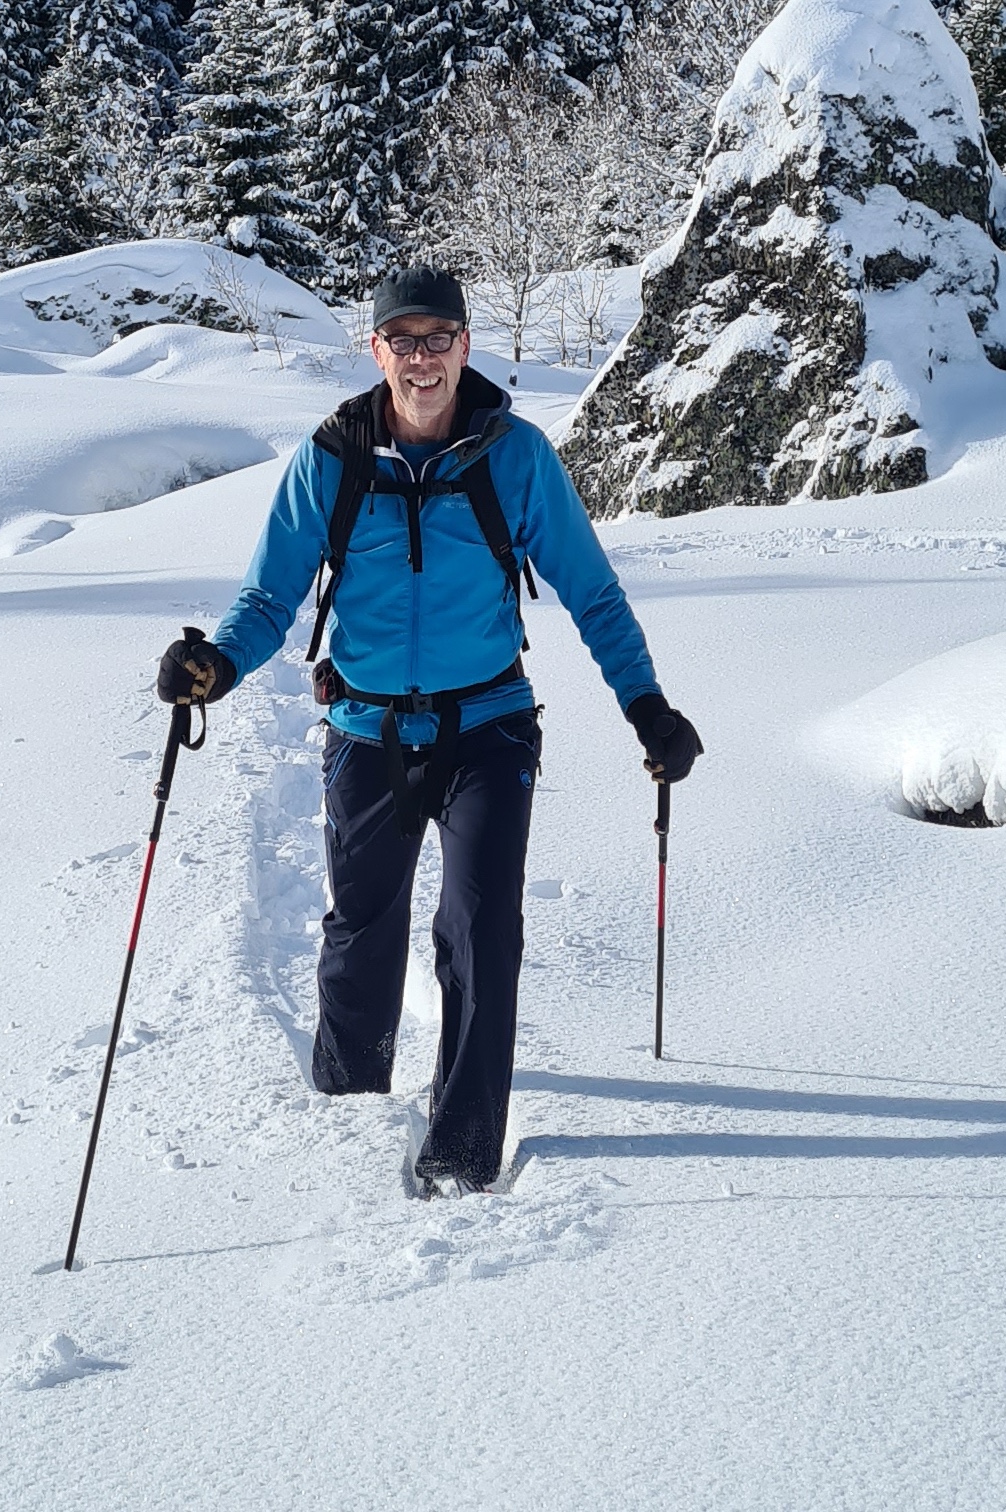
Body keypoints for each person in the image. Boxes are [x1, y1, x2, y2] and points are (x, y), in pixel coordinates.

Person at [155, 267, 702, 1196]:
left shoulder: (515, 457)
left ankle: (464, 1150)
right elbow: (268, 596)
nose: (421, 358)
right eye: (401, 341)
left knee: (482, 928)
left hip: (488, 726)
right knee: (361, 932)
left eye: (437, 338)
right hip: (367, 732)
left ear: (465, 345)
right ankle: (347, 1116)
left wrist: (644, 704)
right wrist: (217, 666)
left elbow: (594, 594)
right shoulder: (330, 460)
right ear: (377, 352)